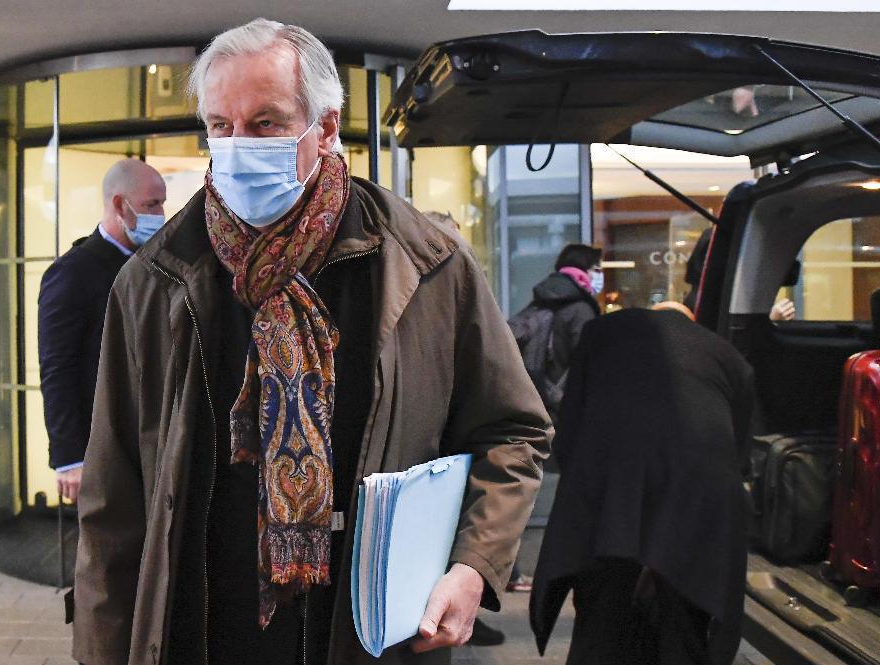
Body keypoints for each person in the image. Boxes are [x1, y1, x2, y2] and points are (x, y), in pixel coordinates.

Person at [71, 18, 552, 665]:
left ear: (324, 129)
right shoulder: (153, 282)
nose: (237, 145)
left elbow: (511, 432)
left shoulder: (427, 266)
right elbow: (113, 500)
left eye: (265, 123)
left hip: (368, 631)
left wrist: (473, 566)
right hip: (202, 626)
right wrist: (101, 651)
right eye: (221, 125)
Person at [530, 302, 755, 665]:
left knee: (603, 624)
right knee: (683, 630)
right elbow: (738, 455)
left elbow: (570, 425)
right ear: (692, 324)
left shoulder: (602, 333)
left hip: (611, 497)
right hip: (699, 506)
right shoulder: (729, 358)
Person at [37, 158, 167, 502]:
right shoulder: (73, 272)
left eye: (162, 203)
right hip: (103, 444)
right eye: (151, 205)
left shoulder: (154, 265)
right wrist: (69, 458)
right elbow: (57, 368)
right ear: (119, 205)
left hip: (150, 439)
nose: (161, 214)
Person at [509, 244, 603, 426]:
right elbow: (586, 363)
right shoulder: (581, 310)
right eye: (596, 270)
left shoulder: (542, 300)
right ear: (582, 270)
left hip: (539, 400)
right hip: (568, 407)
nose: (600, 276)